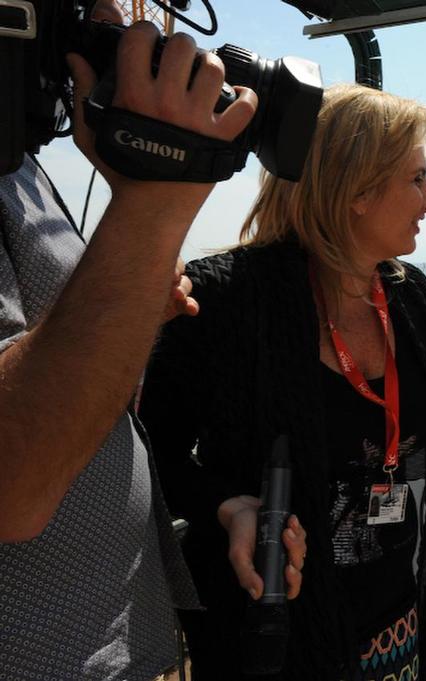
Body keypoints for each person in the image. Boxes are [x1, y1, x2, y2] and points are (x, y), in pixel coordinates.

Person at [138, 84, 426, 681]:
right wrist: (227, 504)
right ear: (357, 189)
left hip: (392, 623)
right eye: (417, 179)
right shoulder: (223, 300)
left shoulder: (410, 296)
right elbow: (148, 451)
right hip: (264, 633)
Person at [0, 9, 305, 680]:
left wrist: (131, 275)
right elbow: (11, 481)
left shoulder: (19, 169)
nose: (113, 28)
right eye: (89, 13)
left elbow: (56, 368)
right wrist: (156, 195)